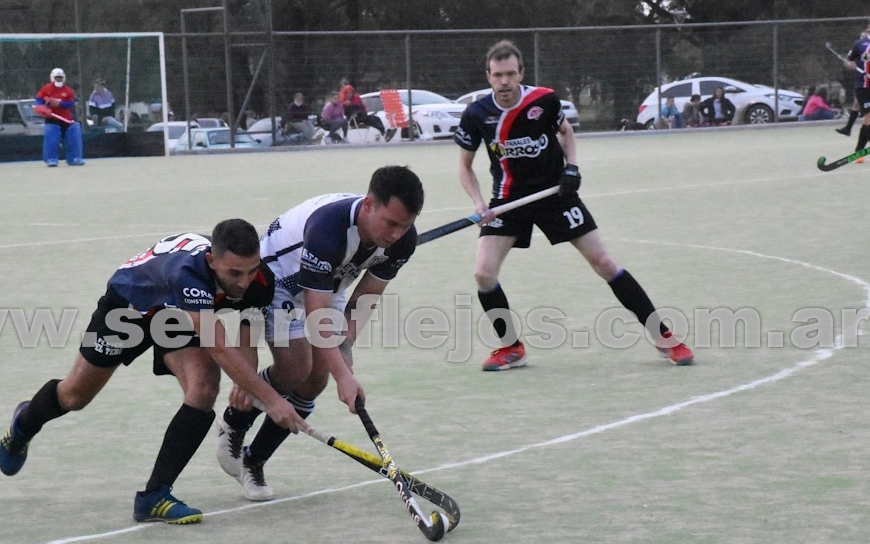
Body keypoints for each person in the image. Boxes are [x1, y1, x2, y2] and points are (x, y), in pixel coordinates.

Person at [0, 220, 310, 524]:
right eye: (234, 273)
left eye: (251, 270)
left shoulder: (260, 280)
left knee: (203, 388)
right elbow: (217, 346)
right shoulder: (187, 273)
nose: (243, 282)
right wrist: (272, 400)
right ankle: (24, 424)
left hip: (177, 317)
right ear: (212, 261)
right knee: (75, 395)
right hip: (128, 307)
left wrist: (250, 383)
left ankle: (154, 496)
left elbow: (246, 330)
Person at [454, 39, 693, 372]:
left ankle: (665, 337)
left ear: (521, 73)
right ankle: (511, 347)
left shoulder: (544, 100)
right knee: (483, 273)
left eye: (511, 74)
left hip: (556, 194)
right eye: (498, 75)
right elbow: (465, 167)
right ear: (488, 76)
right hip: (508, 199)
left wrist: (572, 167)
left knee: (604, 262)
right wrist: (480, 203)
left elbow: (566, 133)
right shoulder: (477, 114)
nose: (505, 81)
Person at [213, 166, 425, 501]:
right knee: (296, 368)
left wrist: (345, 347)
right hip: (277, 278)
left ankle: (255, 460)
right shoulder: (329, 227)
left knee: (316, 380)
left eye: (406, 225)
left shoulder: (402, 242)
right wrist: (344, 376)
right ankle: (235, 420)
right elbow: (316, 313)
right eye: (391, 223)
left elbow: (366, 295)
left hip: (332, 280)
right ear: (369, 204)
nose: (397, 234)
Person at [35, 67, 84, 167]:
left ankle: (74, 158)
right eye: (57, 78)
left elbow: (70, 104)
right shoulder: (46, 88)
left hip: (66, 119)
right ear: (52, 78)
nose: (59, 80)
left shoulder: (68, 90)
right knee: (52, 134)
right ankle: (51, 158)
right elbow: (39, 100)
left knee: (75, 130)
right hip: (52, 119)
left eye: (60, 78)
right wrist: (43, 107)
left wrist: (59, 104)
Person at [837, 25, 870, 137]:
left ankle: (848, 129)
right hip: (863, 84)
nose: (863, 39)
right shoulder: (861, 46)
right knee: (866, 115)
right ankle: (858, 144)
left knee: (861, 109)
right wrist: (850, 64)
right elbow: (861, 60)